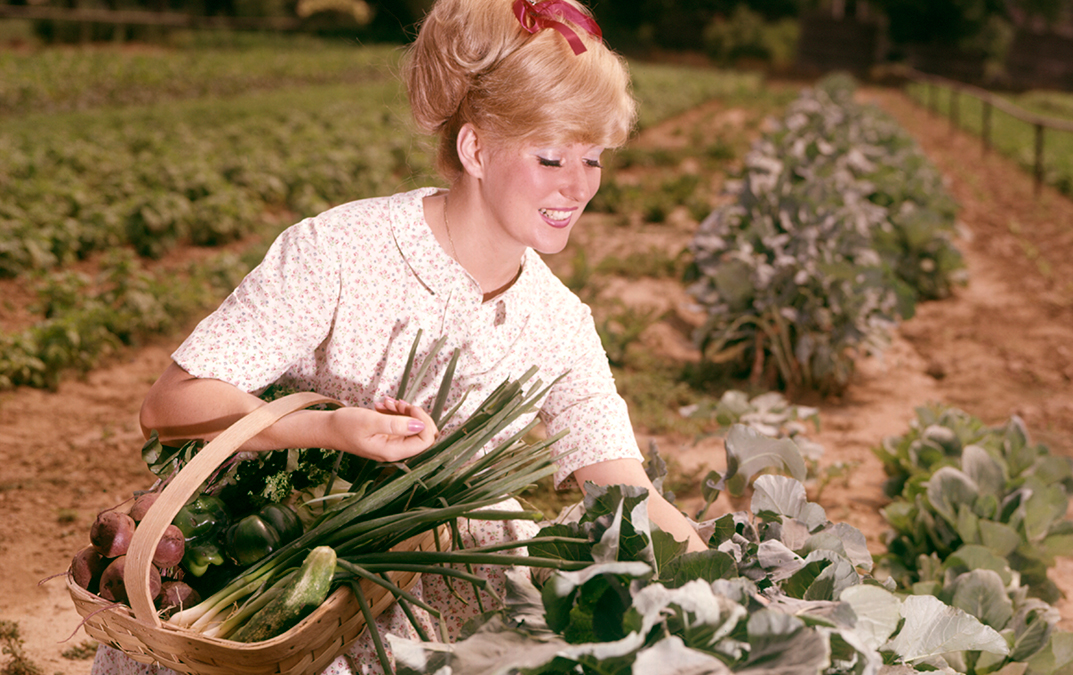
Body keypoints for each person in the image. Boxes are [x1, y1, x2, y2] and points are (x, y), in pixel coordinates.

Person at [92, 0, 704, 673]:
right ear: (475, 149)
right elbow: (170, 403)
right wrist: (327, 429)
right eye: (552, 157)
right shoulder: (340, 250)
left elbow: (624, 488)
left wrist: (727, 577)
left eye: (593, 159)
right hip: (288, 576)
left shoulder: (559, 320)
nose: (578, 187)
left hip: (452, 585)